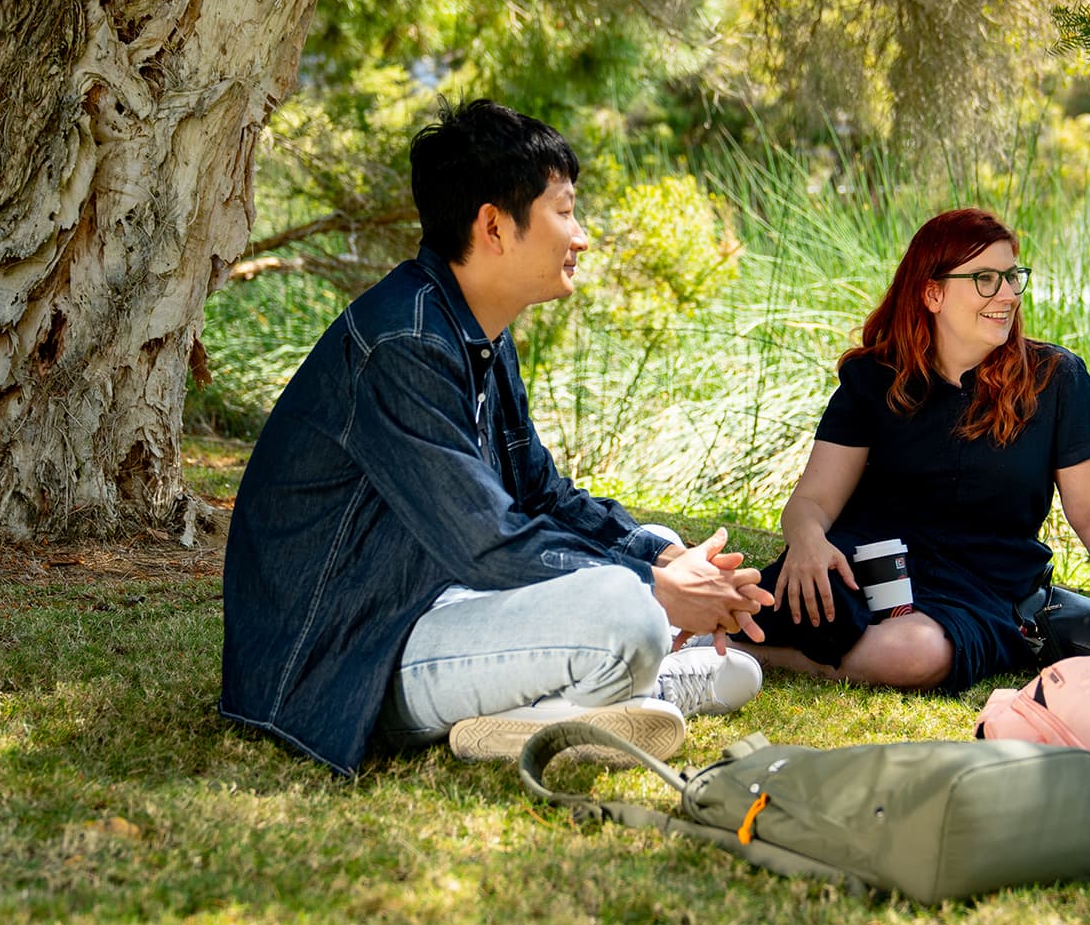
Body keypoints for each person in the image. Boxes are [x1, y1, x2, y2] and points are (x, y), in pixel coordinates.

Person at [219, 99, 774, 774]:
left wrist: (663, 561)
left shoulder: (475, 333)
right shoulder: (404, 343)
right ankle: (584, 698)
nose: (582, 235)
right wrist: (655, 591)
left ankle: (610, 688)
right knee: (625, 611)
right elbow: (487, 540)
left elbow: (541, 494)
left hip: (425, 599)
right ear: (493, 225)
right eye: (565, 210)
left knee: (653, 550)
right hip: (347, 654)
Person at [740, 208, 1090, 692]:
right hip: (866, 566)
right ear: (933, 293)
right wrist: (809, 540)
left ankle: (746, 655)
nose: (1007, 295)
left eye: (1011, 277)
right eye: (985, 279)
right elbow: (812, 501)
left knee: (915, 654)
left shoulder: (1057, 380)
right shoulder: (874, 378)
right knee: (754, 606)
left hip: (982, 585)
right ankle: (727, 639)